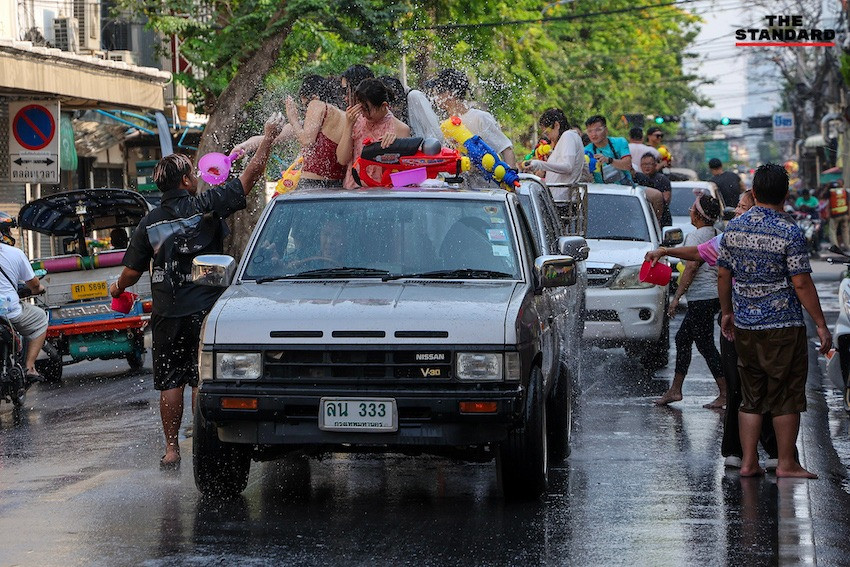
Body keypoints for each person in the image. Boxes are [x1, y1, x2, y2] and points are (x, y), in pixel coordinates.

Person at [110, 113, 284, 470]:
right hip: (206, 311)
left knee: (169, 381)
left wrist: (116, 287)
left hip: (166, 313)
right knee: (200, 379)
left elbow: (130, 272)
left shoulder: (149, 222)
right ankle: (198, 439)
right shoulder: (205, 205)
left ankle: (171, 448)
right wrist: (268, 136)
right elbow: (250, 177)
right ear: (188, 180)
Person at [645, 191, 782, 469]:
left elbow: (798, 281)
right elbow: (698, 254)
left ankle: (766, 454)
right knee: (740, 388)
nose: (737, 213)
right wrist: (665, 251)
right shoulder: (729, 235)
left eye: (744, 208)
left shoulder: (776, 234)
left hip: (761, 324)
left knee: (758, 389)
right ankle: (743, 453)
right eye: (739, 208)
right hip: (738, 321)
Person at [718, 163, 831, 478]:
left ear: (753, 193)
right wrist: (821, 324)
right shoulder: (788, 230)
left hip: (745, 325)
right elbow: (801, 283)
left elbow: (724, 274)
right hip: (782, 325)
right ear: (786, 194)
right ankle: (785, 463)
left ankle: (749, 461)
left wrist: (727, 312)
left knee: (751, 395)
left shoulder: (734, 228)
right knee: (784, 394)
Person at [654, 194, 726, 408]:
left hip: (702, 297)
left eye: (692, 209)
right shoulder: (717, 233)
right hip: (714, 297)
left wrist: (676, 298)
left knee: (704, 345)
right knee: (684, 339)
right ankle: (675, 390)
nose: (689, 212)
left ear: (699, 215)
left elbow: (691, 268)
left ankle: (725, 392)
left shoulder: (695, 238)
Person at [233, 76, 347, 188]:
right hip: (338, 186)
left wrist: (293, 118)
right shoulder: (344, 115)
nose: (306, 111)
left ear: (314, 97)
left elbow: (307, 141)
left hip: (313, 186)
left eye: (305, 106)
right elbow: (273, 137)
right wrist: (244, 145)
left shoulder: (316, 104)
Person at [428, 68, 516, 168]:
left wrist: (511, 176)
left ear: (451, 93)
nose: (435, 96)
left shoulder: (480, 118)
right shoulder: (445, 125)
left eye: (439, 92)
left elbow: (506, 149)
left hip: (489, 183)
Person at [337, 78, 411, 189]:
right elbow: (342, 159)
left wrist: (394, 146)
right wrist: (348, 126)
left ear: (383, 106)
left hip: (382, 192)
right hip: (353, 188)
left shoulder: (400, 129)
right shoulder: (355, 121)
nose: (363, 115)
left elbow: (404, 170)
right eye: (361, 109)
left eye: (367, 110)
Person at [0, 213, 47, 382]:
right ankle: (29, 367)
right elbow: (34, 285)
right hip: (9, 312)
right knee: (41, 318)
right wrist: (39, 289)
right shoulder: (15, 254)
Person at [520, 108, 584, 184]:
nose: (548, 138)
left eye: (547, 133)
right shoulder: (565, 139)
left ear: (557, 125)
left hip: (564, 194)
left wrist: (540, 164)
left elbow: (568, 167)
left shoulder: (568, 135)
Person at [584, 115, 633, 185]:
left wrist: (609, 160)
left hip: (624, 189)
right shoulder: (586, 151)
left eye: (598, 130)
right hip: (601, 191)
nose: (593, 134)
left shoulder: (620, 142)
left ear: (606, 130)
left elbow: (627, 165)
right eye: (589, 131)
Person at [633, 152, 672, 226]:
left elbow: (666, 199)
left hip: (661, 219)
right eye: (644, 164)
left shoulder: (662, 179)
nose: (647, 167)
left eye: (649, 164)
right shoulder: (638, 179)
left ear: (655, 165)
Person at [827, 182, 850, 251]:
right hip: (845, 214)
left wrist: (828, 214)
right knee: (845, 231)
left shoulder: (831, 193)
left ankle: (835, 247)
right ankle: (847, 246)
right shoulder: (844, 192)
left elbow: (829, 204)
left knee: (832, 230)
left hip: (835, 215)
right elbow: (848, 203)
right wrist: (849, 214)